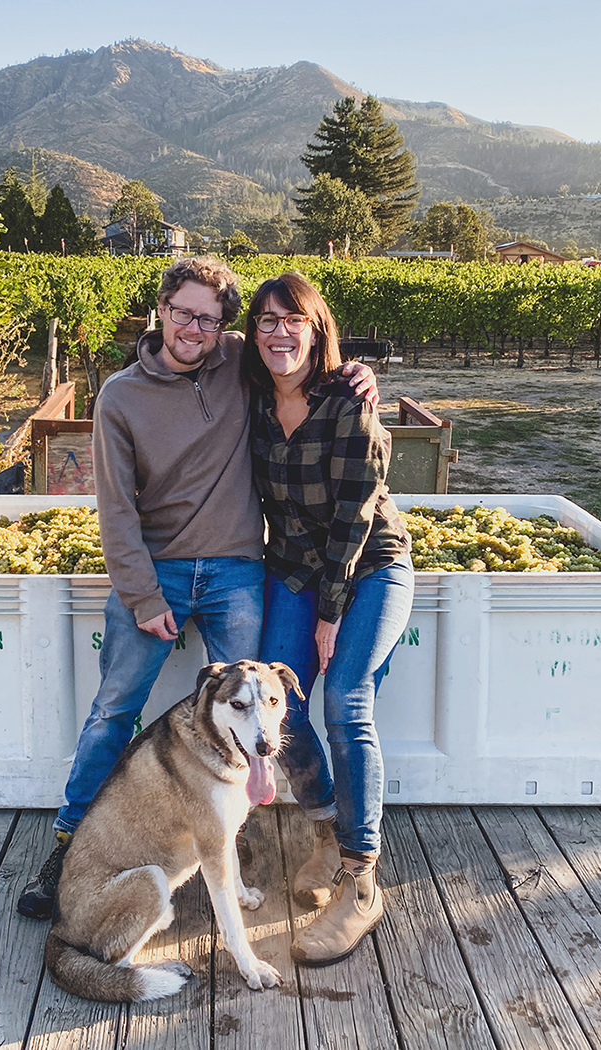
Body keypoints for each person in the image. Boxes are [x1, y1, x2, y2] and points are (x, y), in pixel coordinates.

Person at [18, 257, 377, 918]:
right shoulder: (121, 397)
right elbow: (116, 511)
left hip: (237, 569)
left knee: (256, 710)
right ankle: (70, 844)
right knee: (114, 707)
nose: (194, 328)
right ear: (161, 310)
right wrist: (144, 594)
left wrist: (357, 371)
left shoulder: (238, 361)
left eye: (209, 319)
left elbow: (298, 345)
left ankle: (239, 832)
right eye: (182, 312)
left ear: (222, 329)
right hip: (154, 573)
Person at [241, 272, 414, 966]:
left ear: (317, 330)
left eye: (294, 321)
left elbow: (357, 511)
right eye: (266, 321)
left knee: (345, 700)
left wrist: (332, 611)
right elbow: (175, 349)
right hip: (290, 567)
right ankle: (324, 827)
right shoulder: (249, 395)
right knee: (280, 713)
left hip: (369, 564)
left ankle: (362, 880)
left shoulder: (348, 402)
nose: (279, 333)